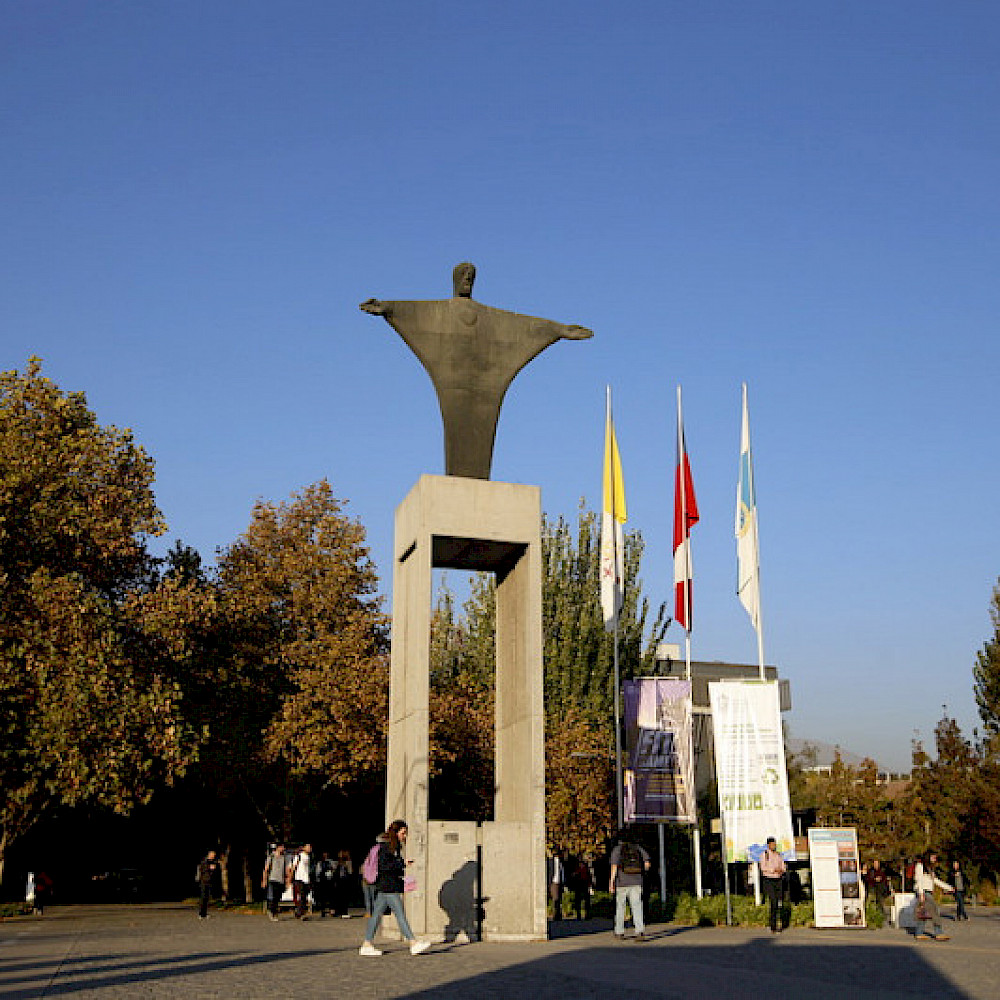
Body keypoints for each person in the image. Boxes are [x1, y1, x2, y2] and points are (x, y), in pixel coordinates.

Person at [360, 263, 593, 480]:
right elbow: (415, 311)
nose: (467, 280)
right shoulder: (441, 310)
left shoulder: (490, 317)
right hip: (452, 383)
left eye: (470, 278)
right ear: (454, 280)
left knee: (483, 426)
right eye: (462, 276)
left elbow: (524, 326)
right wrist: (387, 308)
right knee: (456, 428)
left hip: (485, 388)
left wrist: (558, 329)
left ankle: (475, 479)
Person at [359, 820, 431, 956]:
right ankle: (413, 943)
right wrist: (401, 864)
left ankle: (367, 944)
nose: (405, 836)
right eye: (403, 833)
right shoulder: (387, 847)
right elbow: (384, 866)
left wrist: (402, 864)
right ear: (396, 832)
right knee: (400, 915)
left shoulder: (389, 846)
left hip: (385, 887)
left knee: (376, 916)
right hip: (388, 887)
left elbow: (388, 865)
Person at [609, 832, 650, 940]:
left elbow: (614, 866)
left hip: (622, 882)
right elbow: (647, 864)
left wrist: (611, 882)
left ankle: (619, 931)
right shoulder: (638, 848)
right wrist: (641, 873)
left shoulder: (617, 849)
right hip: (636, 881)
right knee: (637, 906)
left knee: (620, 907)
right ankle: (639, 931)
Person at [914, 852, 954, 941]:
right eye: (933, 856)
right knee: (935, 911)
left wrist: (948, 887)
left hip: (928, 892)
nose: (935, 858)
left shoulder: (930, 868)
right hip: (924, 892)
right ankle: (938, 932)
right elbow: (919, 880)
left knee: (923, 913)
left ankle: (919, 933)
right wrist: (921, 893)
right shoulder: (920, 866)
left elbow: (935, 880)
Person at [760, 837, 787, 933]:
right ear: (768, 845)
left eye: (774, 844)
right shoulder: (765, 855)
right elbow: (763, 867)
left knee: (779, 903)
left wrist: (781, 870)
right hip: (769, 880)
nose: (773, 846)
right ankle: (773, 925)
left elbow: (783, 866)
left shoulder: (778, 855)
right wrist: (773, 870)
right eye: (772, 844)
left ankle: (780, 923)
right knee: (773, 902)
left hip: (778, 879)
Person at [362, 833, 387, 919]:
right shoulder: (381, 850)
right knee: (373, 896)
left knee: (369, 896)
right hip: (373, 877)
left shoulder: (373, 850)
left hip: (367, 877)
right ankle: (374, 911)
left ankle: (370, 912)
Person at [261, 844, 286, 921]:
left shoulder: (283, 858)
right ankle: (272, 912)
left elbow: (284, 869)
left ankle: (274, 912)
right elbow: (266, 869)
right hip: (272, 879)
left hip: (280, 880)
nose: (283, 849)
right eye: (282, 847)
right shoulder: (271, 857)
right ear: (278, 847)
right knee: (272, 897)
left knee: (277, 898)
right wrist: (264, 880)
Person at [289, 843, 313, 920]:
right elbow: (293, 867)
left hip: (306, 879)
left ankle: (299, 912)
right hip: (299, 879)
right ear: (304, 848)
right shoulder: (299, 856)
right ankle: (301, 913)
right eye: (308, 847)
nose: (309, 848)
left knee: (305, 896)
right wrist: (290, 878)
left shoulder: (309, 857)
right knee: (301, 896)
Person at [196, 850, 220, 920]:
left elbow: (214, 871)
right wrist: (210, 868)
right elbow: (202, 870)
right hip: (204, 881)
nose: (213, 857)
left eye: (214, 856)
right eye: (212, 855)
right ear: (209, 855)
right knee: (203, 898)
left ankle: (205, 913)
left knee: (207, 898)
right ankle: (201, 914)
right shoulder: (204, 861)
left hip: (210, 881)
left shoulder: (213, 862)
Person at [332, 849, 354, 918]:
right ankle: (338, 911)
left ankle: (344, 912)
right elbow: (333, 871)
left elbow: (350, 872)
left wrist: (346, 863)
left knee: (345, 897)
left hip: (345, 881)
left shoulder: (348, 862)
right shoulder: (336, 862)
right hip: (338, 881)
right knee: (338, 897)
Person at [547, 848, 565, 921]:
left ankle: (558, 915)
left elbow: (562, 872)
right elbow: (549, 872)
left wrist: (563, 881)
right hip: (554, 882)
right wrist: (549, 883)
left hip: (560, 882)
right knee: (556, 899)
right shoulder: (550, 862)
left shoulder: (562, 863)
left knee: (559, 899)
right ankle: (555, 915)